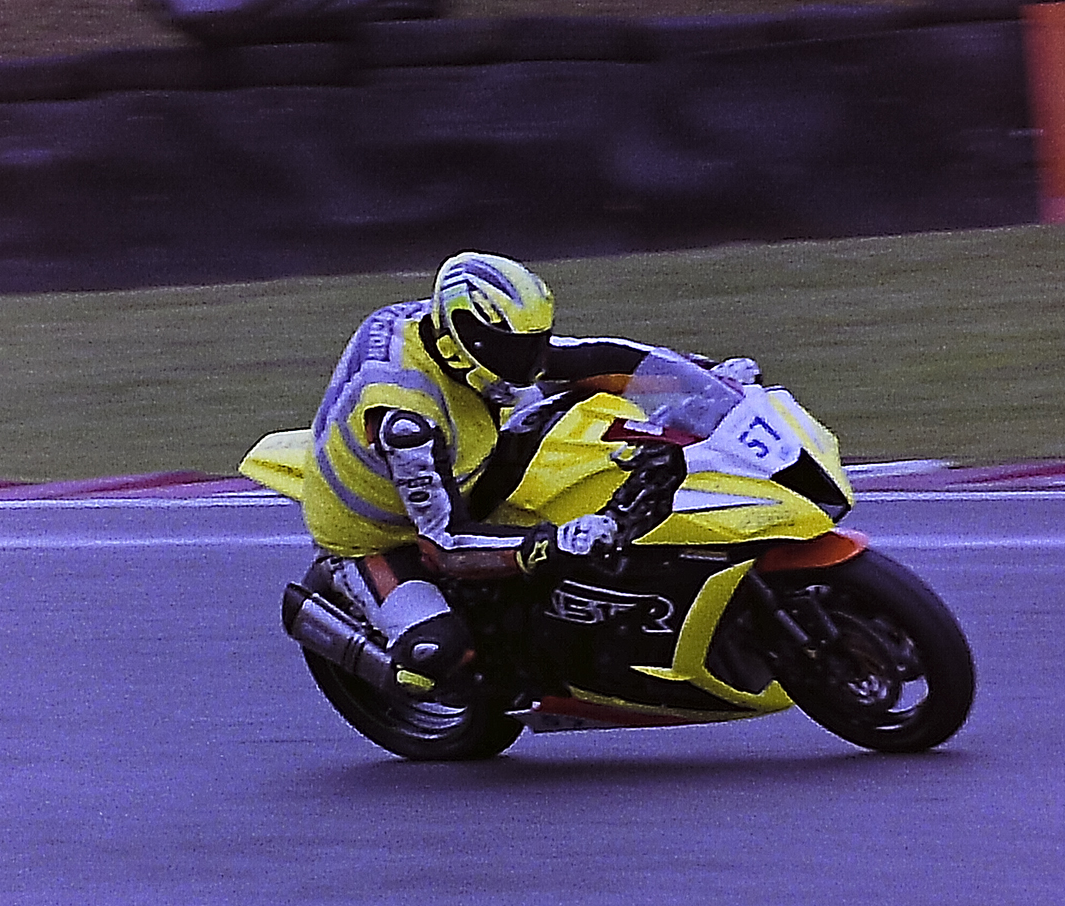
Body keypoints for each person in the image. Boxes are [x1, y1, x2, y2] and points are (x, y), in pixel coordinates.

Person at [302, 251, 757, 698]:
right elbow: (444, 544)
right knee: (436, 659)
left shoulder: (465, 336)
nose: (530, 360)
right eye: (514, 350)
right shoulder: (407, 422)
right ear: (464, 343)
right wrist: (551, 543)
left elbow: (589, 357)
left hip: (466, 462)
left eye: (534, 342)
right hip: (378, 533)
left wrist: (703, 376)